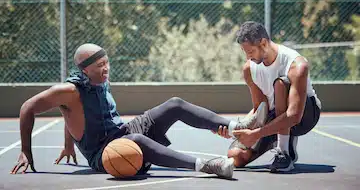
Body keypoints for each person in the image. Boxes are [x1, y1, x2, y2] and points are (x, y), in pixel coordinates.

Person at [10, 43, 267, 179]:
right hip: (104, 152)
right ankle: (208, 166)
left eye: (107, 63)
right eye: (100, 65)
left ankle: (238, 127)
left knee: (174, 104)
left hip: (122, 131)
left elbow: (71, 114)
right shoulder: (69, 90)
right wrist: (25, 150)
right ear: (84, 70)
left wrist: (68, 144)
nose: (106, 69)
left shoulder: (98, 80)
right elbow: (28, 107)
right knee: (135, 140)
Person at [228, 21, 321, 172]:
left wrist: (256, 134)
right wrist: (236, 128)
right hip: (275, 115)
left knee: (280, 84)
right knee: (236, 156)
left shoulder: (296, 64)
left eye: (250, 51)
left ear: (263, 43)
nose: (247, 56)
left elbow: (294, 116)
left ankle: (283, 152)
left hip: (305, 115)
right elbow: (260, 108)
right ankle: (279, 137)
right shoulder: (249, 69)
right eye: (244, 52)